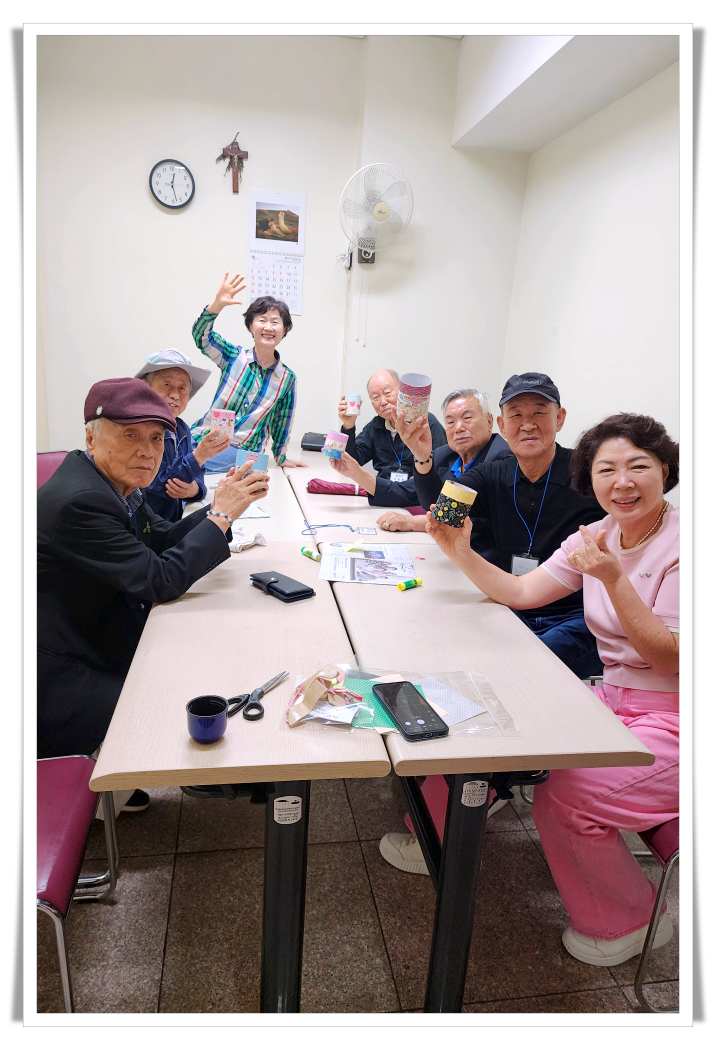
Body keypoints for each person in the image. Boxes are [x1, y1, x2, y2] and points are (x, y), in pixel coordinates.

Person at [418, 413, 679, 967]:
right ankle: (448, 822)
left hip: (682, 718)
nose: (622, 482)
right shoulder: (597, 536)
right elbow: (520, 591)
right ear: (590, 479)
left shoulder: (686, 546)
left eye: (638, 467)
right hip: (616, 701)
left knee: (567, 796)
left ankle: (632, 920)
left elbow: (669, 658)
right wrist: (458, 551)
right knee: (498, 713)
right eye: (606, 470)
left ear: (665, 469)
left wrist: (613, 580)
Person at [38, 378, 269, 802]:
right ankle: (111, 783)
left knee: (205, 654)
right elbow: (160, 580)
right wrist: (219, 517)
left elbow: (161, 538)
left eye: (156, 438)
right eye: (130, 435)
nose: (147, 451)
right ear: (91, 437)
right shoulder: (80, 501)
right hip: (59, 669)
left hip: (98, 629)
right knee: (173, 706)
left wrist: (223, 506)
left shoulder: (114, 484)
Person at [400, 373, 603, 677]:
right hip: (507, 604)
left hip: (573, 615)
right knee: (442, 645)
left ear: (559, 418)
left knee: (520, 667)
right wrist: (422, 457)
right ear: (503, 424)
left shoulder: (589, 474)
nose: (528, 424)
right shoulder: (492, 474)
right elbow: (443, 515)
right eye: (516, 415)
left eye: (539, 413)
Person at [331, 388, 508, 523]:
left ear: (490, 421)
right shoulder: (445, 454)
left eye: (467, 418)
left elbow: (453, 516)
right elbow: (408, 493)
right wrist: (355, 472)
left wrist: (412, 523)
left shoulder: (500, 458)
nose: (458, 427)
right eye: (450, 421)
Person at [190, 272, 304, 469]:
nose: (268, 327)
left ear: (284, 330)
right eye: (262, 320)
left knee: (186, 466)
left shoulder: (287, 378)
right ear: (251, 327)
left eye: (275, 322)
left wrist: (281, 457)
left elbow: (282, 421)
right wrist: (217, 305)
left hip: (243, 451)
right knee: (172, 445)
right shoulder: (234, 357)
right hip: (204, 439)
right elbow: (202, 337)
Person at [135, 348, 231, 521]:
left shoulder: (182, 429)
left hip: (172, 523)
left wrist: (195, 490)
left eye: (182, 388)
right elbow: (158, 487)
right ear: (146, 388)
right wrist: (199, 456)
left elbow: (198, 475)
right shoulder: (140, 430)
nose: (175, 395)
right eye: (167, 385)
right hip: (146, 526)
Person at [335, 369, 446, 496]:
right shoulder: (375, 426)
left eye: (387, 393)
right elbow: (352, 462)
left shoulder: (425, 424)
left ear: (402, 392)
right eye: (375, 397)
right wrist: (349, 426)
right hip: (383, 494)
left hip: (416, 495)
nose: (383, 402)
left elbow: (441, 469)